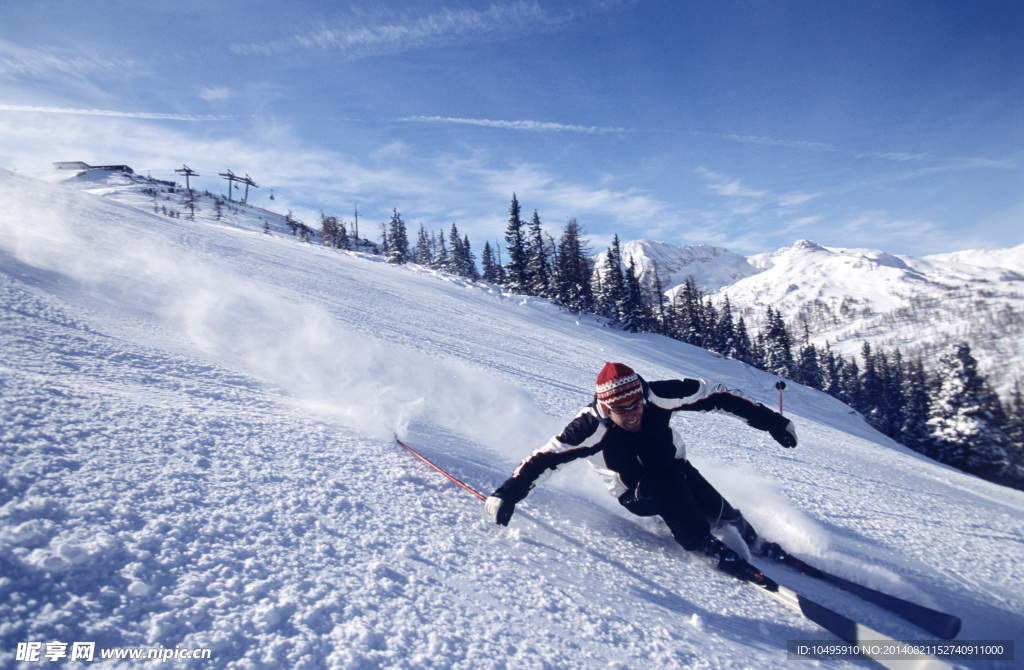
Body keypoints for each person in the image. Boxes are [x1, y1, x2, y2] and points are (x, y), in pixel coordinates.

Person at [485, 362, 798, 583]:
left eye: (636, 405)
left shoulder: (655, 396)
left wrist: (773, 422)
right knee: (667, 494)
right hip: (636, 492)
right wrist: (506, 494)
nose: (633, 414)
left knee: (715, 507)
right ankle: (706, 546)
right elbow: (544, 459)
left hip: (673, 466)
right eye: (622, 410)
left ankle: (749, 536)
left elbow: (716, 395)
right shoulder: (589, 428)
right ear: (607, 408)